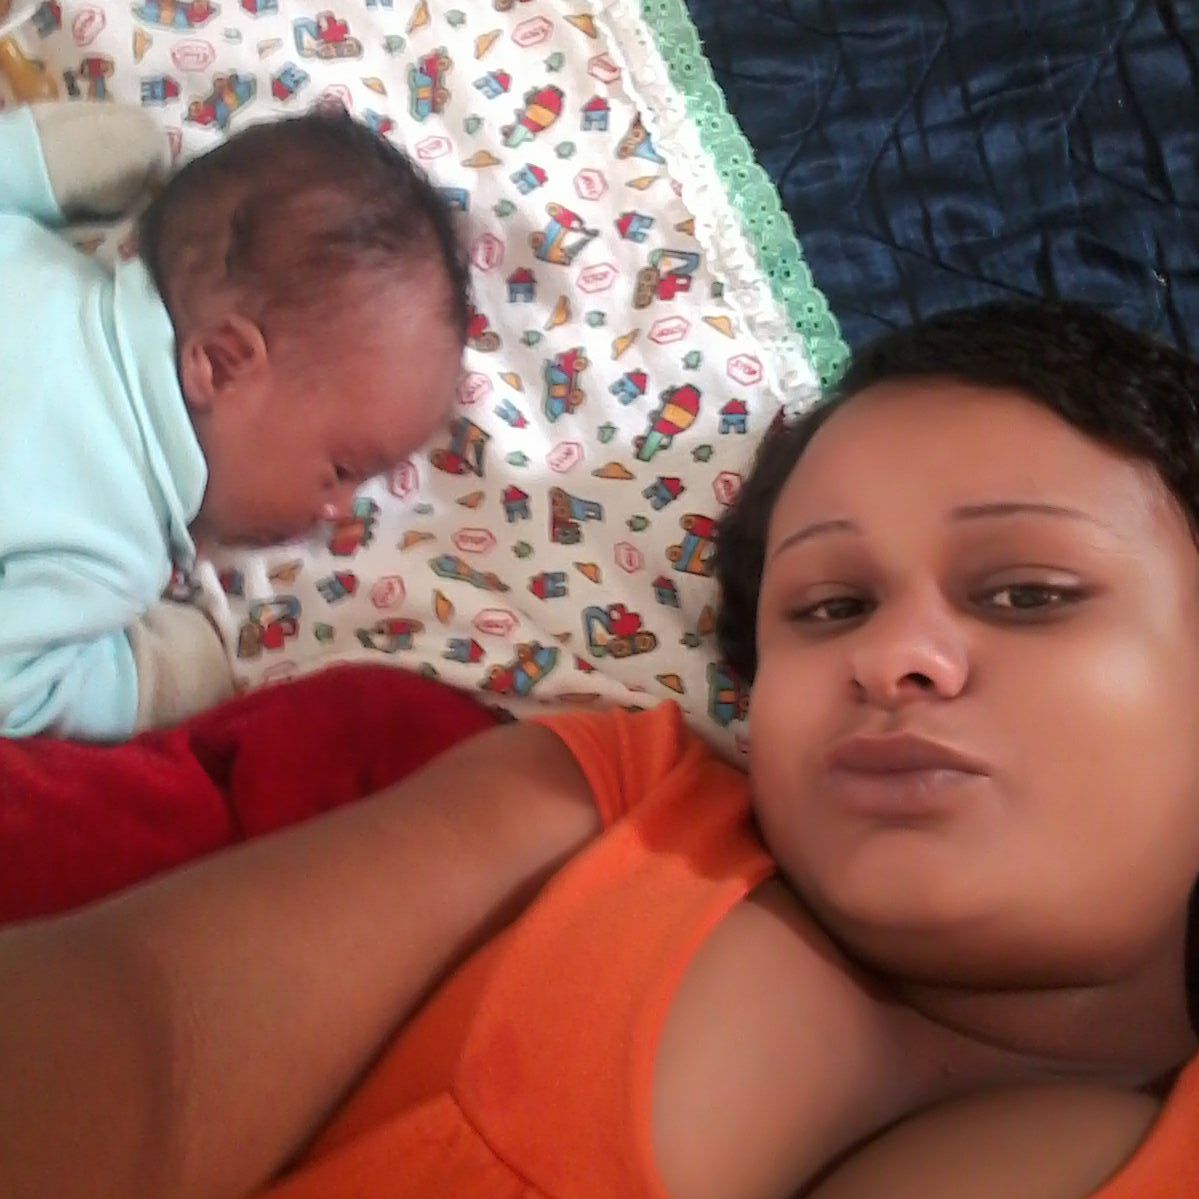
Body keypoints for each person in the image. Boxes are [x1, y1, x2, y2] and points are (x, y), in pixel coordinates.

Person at [2, 301, 1197, 1199]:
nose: (892, 656)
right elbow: (154, 1030)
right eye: (827, 606)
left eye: (1025, 594)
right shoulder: (612, 802)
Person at [0, 102, 469, 739]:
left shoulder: (36, 257)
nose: (339, 510)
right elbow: (18, 689)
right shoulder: (108, 542)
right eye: (341, 469)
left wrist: (42, 161)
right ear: (222, 365)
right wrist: (161, 673)